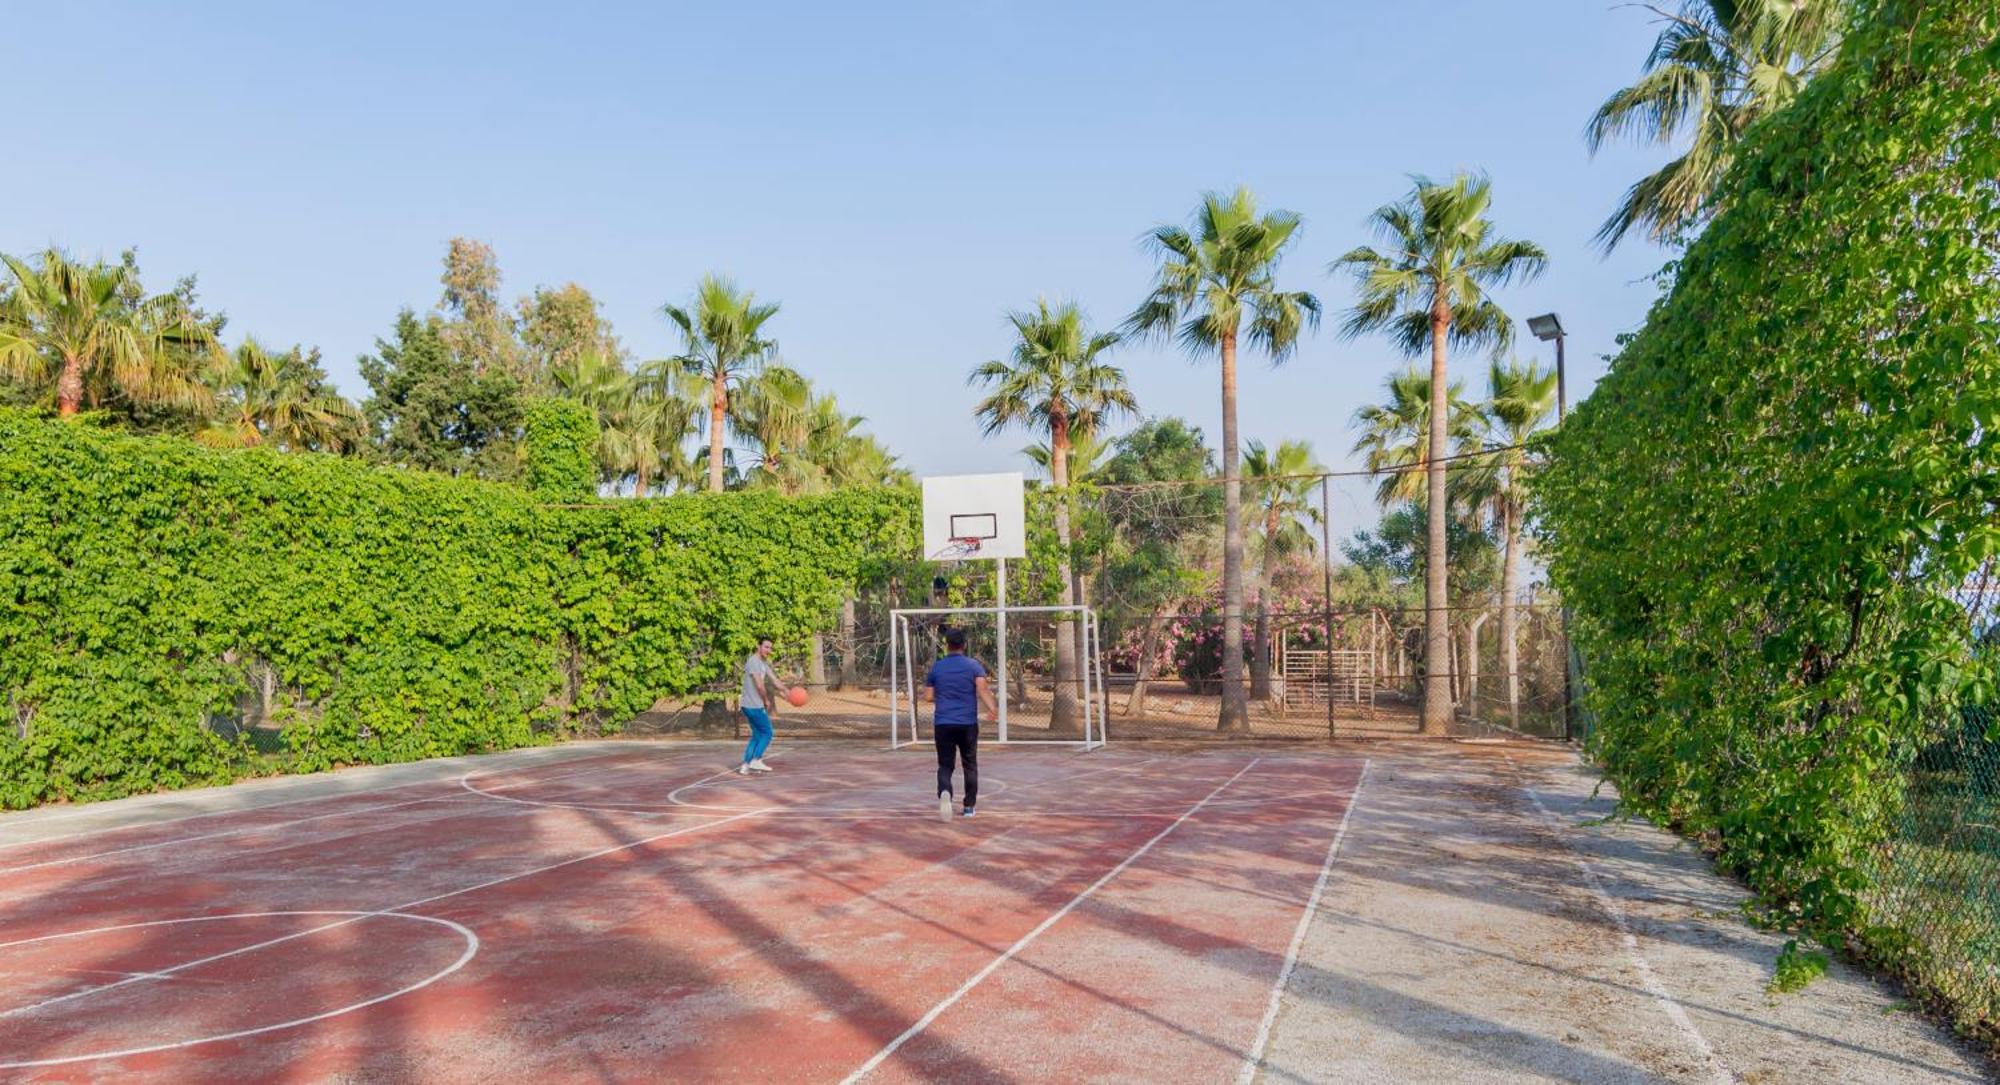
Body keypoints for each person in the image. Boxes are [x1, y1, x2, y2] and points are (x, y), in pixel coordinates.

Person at [922, 625, 997, 821]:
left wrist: (945, 694)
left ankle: (945, 791)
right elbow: (983, 689)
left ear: (947, 646)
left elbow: (928, 697)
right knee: (970, 764)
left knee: (945, 765)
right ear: (964, 645)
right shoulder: (973, 666)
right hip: (967, 724)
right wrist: (992, 708)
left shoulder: (937, 667)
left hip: (943, 723)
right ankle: (969, 807)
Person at [737, 637, 782, 776]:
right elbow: (759, 685)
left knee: (757, 736)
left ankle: (745, 765)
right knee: (767, 733)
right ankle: (756, 759)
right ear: (758, 646)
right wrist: (766, 700)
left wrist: (787, 692)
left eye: (770, 648)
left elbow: (775, 680)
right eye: (766, 647)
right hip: (753, 705)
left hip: (749, 705)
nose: (768, 650)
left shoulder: (763, 663)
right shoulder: (753, 661)